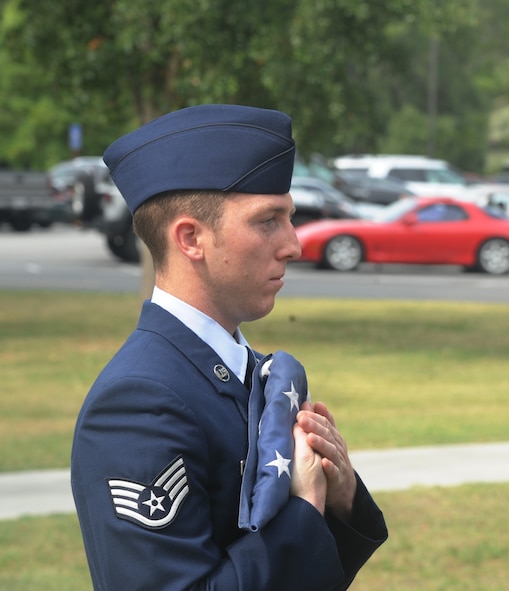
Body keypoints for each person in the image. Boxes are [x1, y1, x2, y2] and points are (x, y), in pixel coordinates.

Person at [70, 104, 388, 590]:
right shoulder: (138, 402)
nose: (294, 245)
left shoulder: (250, 371)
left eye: (290, 218)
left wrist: (338, 498)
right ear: (191, 238)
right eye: (267, 221)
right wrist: (303, 509)